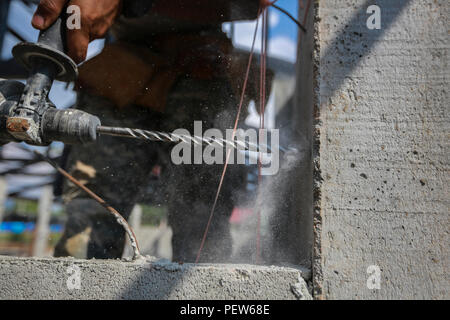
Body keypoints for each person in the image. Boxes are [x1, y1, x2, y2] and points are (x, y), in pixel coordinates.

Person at [31, 0, 270, 261]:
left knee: (202, 225)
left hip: (200, 71)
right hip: (121, 72)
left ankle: (203, 301)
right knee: (91, 217)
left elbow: (256, 4)